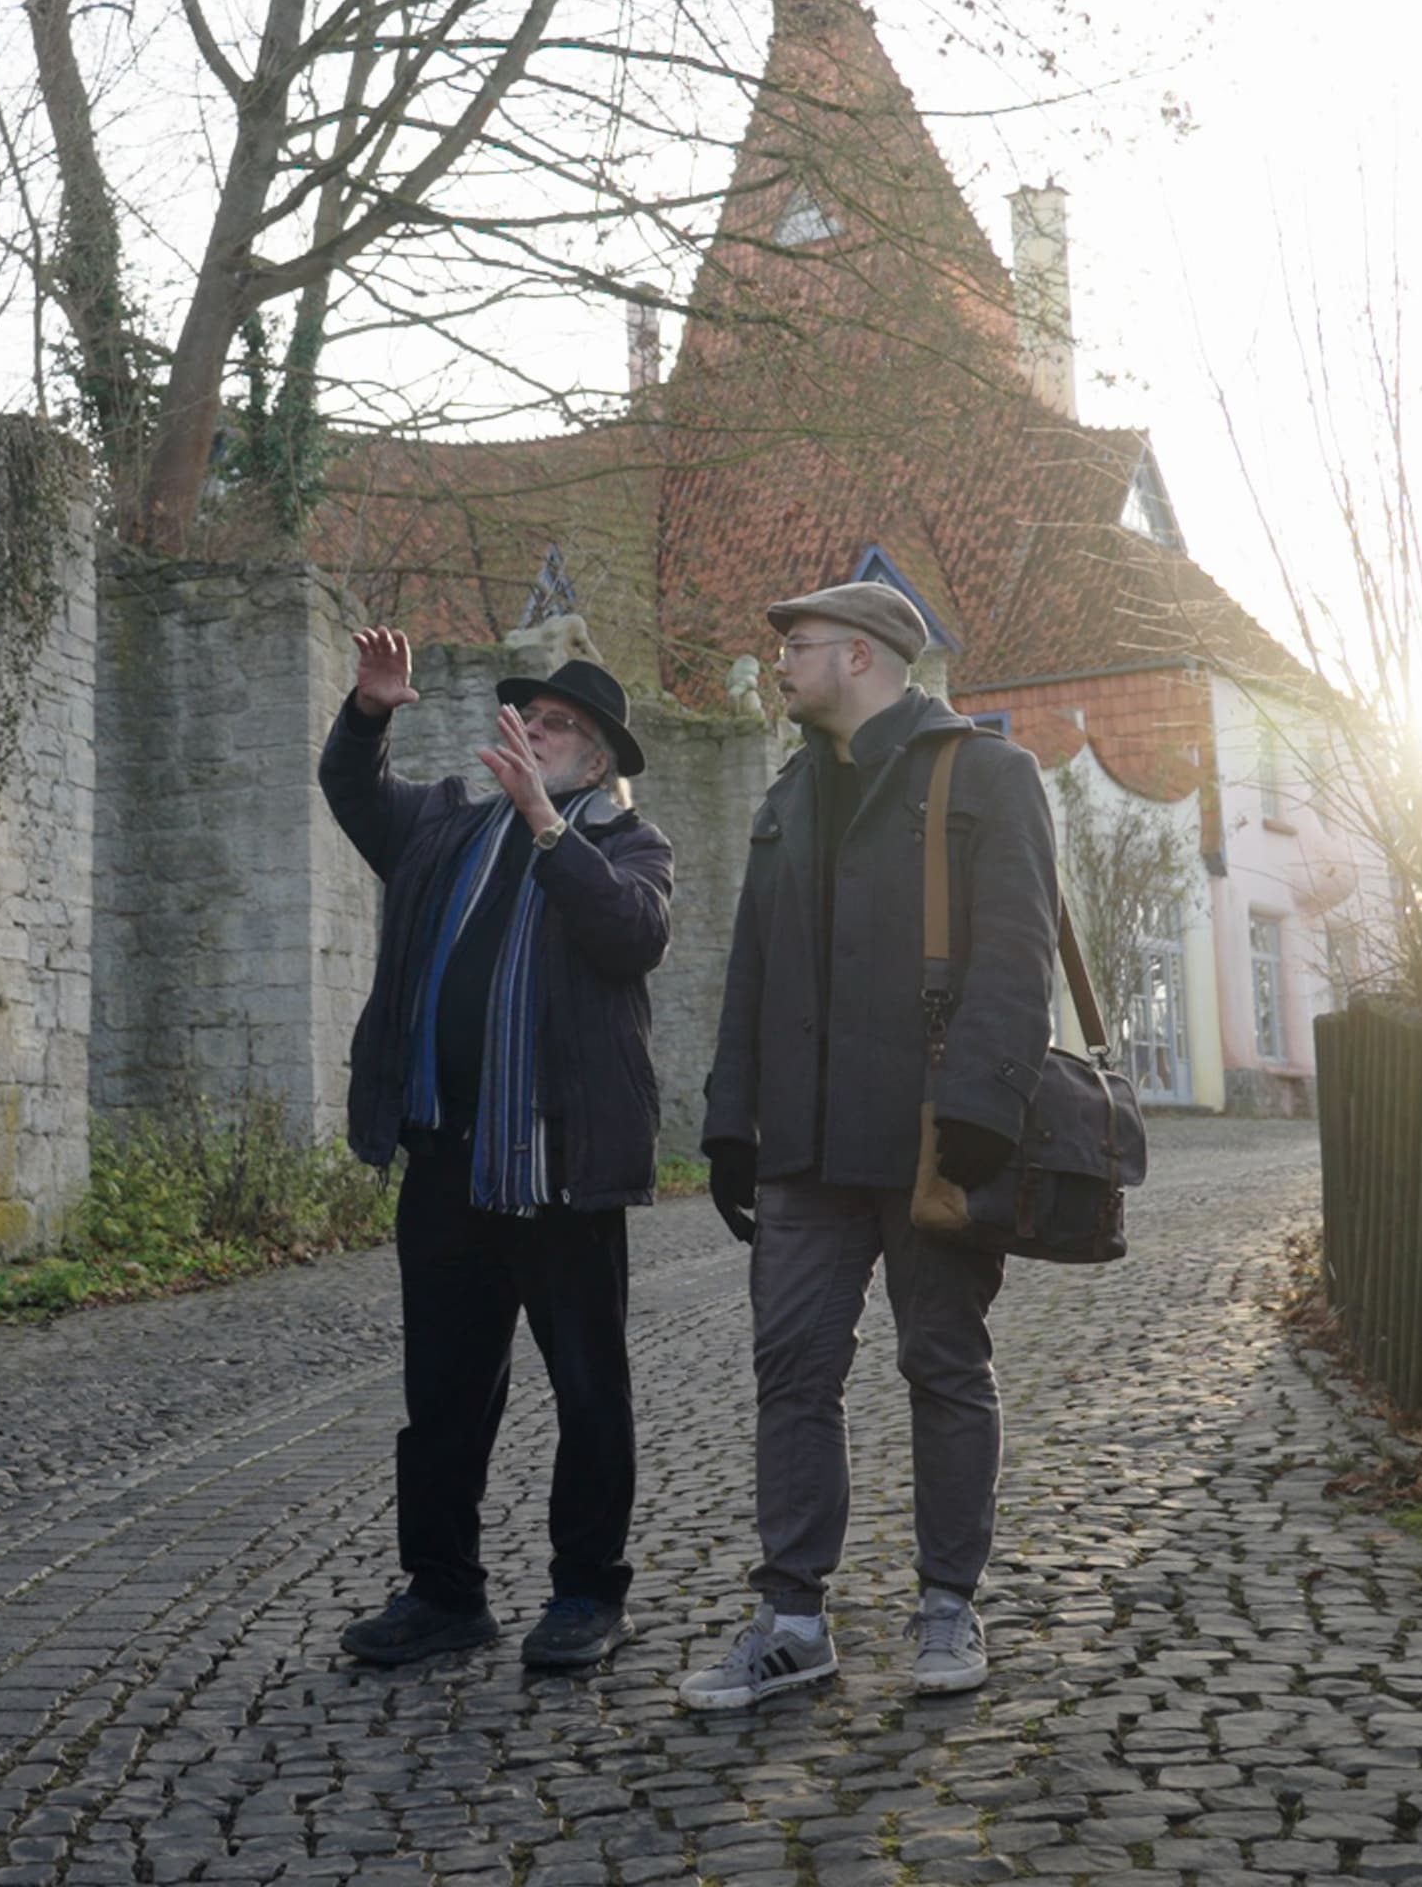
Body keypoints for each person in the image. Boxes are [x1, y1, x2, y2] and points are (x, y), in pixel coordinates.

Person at [680, 580, 1059, 1709]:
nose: (777, 666)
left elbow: (1016, 948)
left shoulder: (988, 775)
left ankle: (949, 1604)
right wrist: (731, 1122)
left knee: (942, 1367)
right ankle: (793, 1623)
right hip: (800, 1145)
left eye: (794, 647)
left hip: (935, 1136)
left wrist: (991, 1106)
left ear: (862, 656)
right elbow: (750, 972)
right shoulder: (789, 793)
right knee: (792, 1371)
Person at [317, 627, 676, 1672]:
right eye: (529, 717)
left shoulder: (624, 846)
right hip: (444, 1164)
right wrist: (370, 712)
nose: (537, 732)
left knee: (589, 1393)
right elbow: (351, 790)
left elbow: (632, 936)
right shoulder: (442, 827)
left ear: (598, 760)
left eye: (560, 725)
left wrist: (545, 829)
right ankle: (442, 1593)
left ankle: (584, 1596)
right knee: (442, 1397)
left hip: (559, 1172)